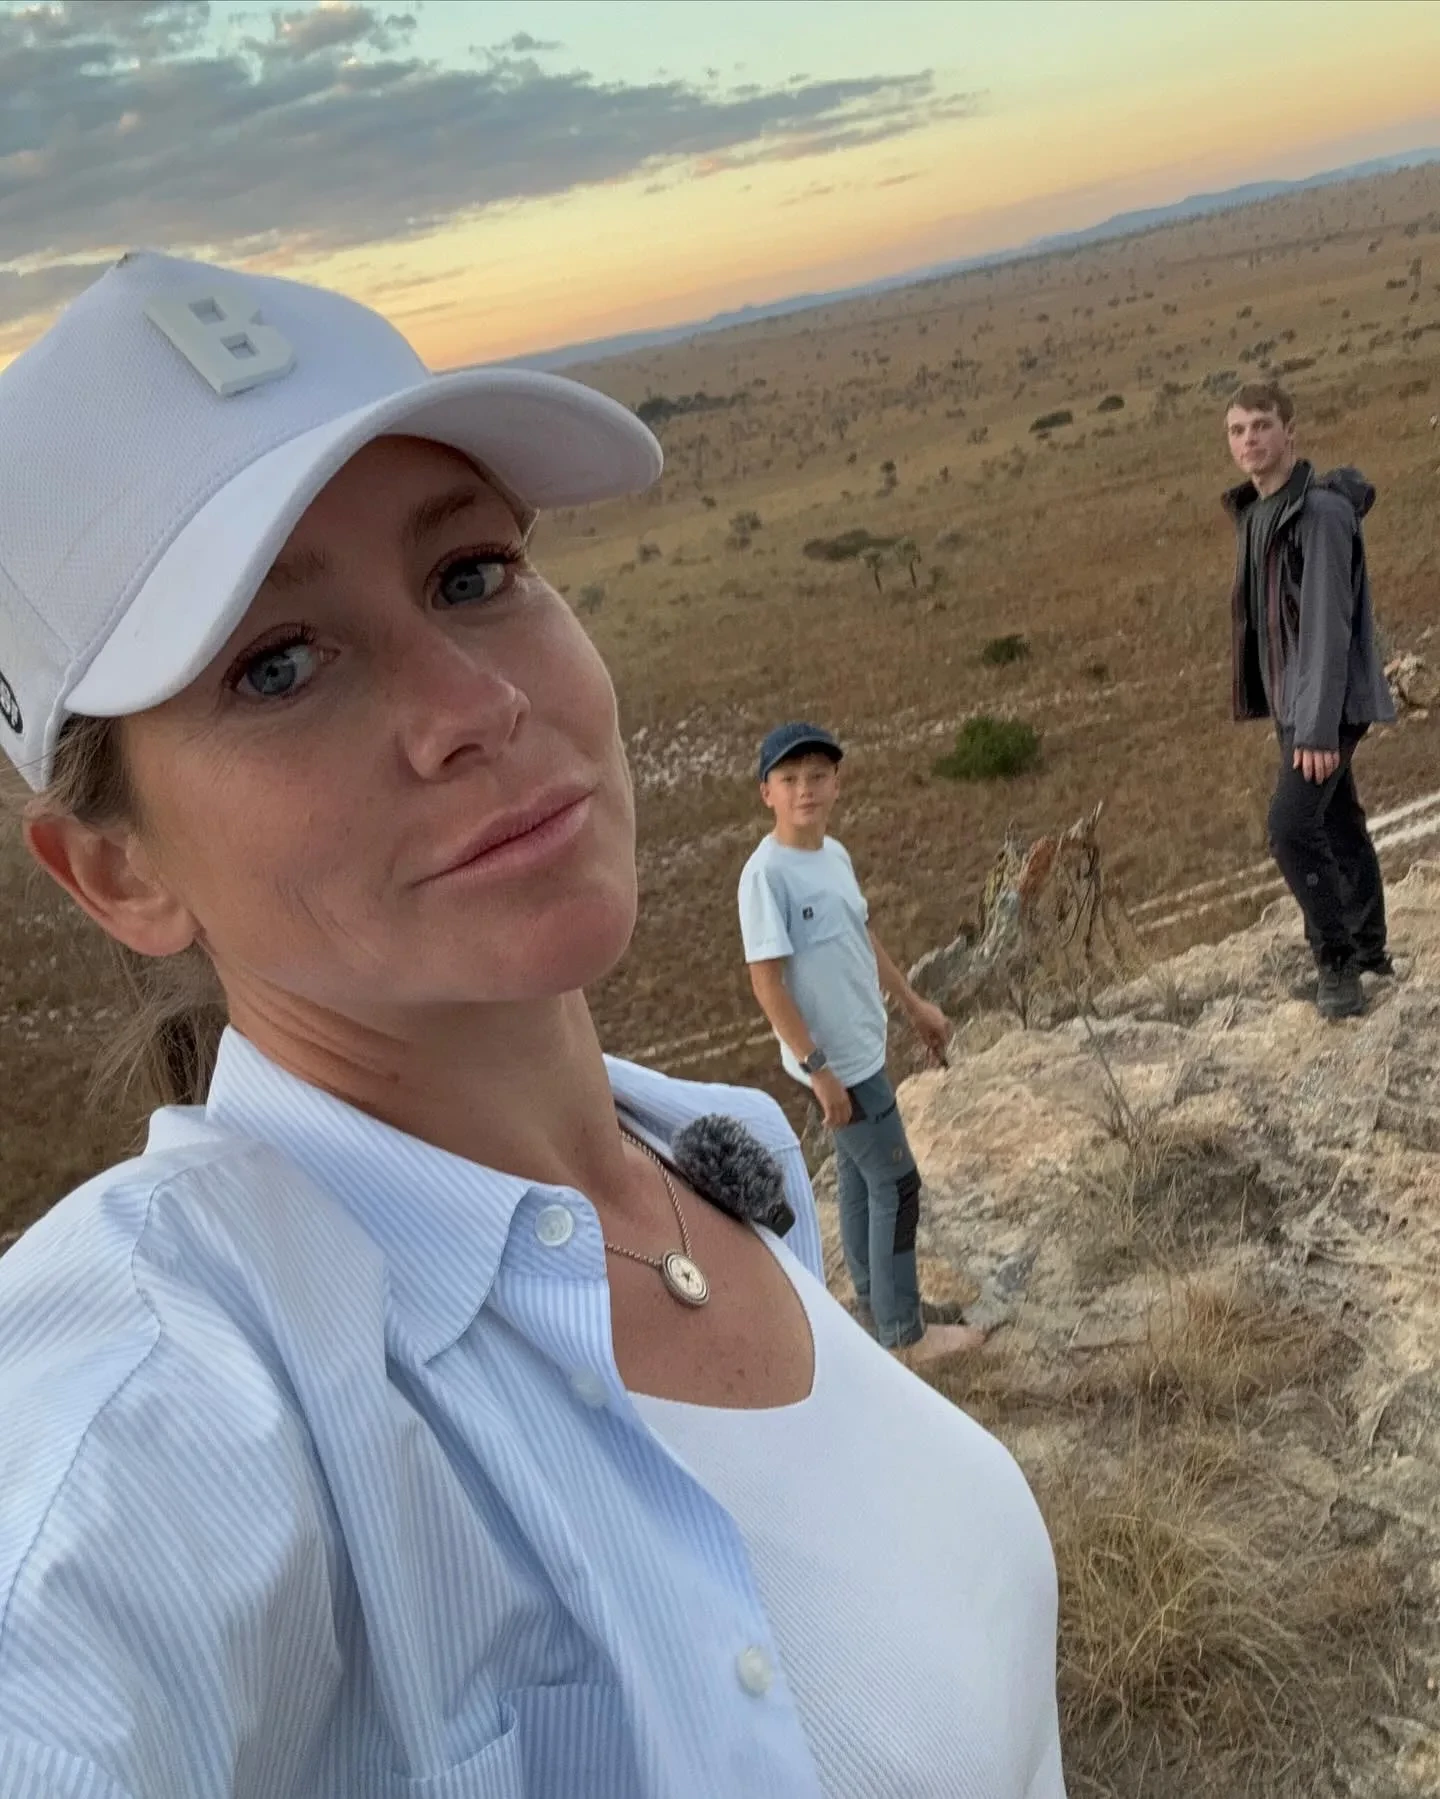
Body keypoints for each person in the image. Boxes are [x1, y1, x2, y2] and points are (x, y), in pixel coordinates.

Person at [0, 252, 1066, 1798]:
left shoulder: (722, 1158)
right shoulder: (173, 1387)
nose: (474, 705)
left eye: (470, 575)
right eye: (277, 665)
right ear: (117, 872)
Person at [738, 722, 985, 1366]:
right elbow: (766, 984)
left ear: (837, 784)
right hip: (835, 1066)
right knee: (898, 1183)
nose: (805, 789)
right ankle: (906, 1336)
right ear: (767, 792)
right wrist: (819, 1069)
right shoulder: (766, 877)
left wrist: (913, 1006)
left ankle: (880, 1309)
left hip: (861, 1051)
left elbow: (860, 936)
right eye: (790, 779)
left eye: (818, 776)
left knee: (859, 1180)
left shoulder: (834, 856)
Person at [1223, 379, 1396, 1019]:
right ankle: (1371, 955)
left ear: (1289, 431)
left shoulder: (1318, 513)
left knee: (1291, 828)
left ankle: (1338, 964)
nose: (1249, 440)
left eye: (1261, 425)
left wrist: (1317, 729)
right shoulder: (1258, 512)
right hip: (1297, 703)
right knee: (1338, 820)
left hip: (1329, 704)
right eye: (1238, 430)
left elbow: (1326, 624)